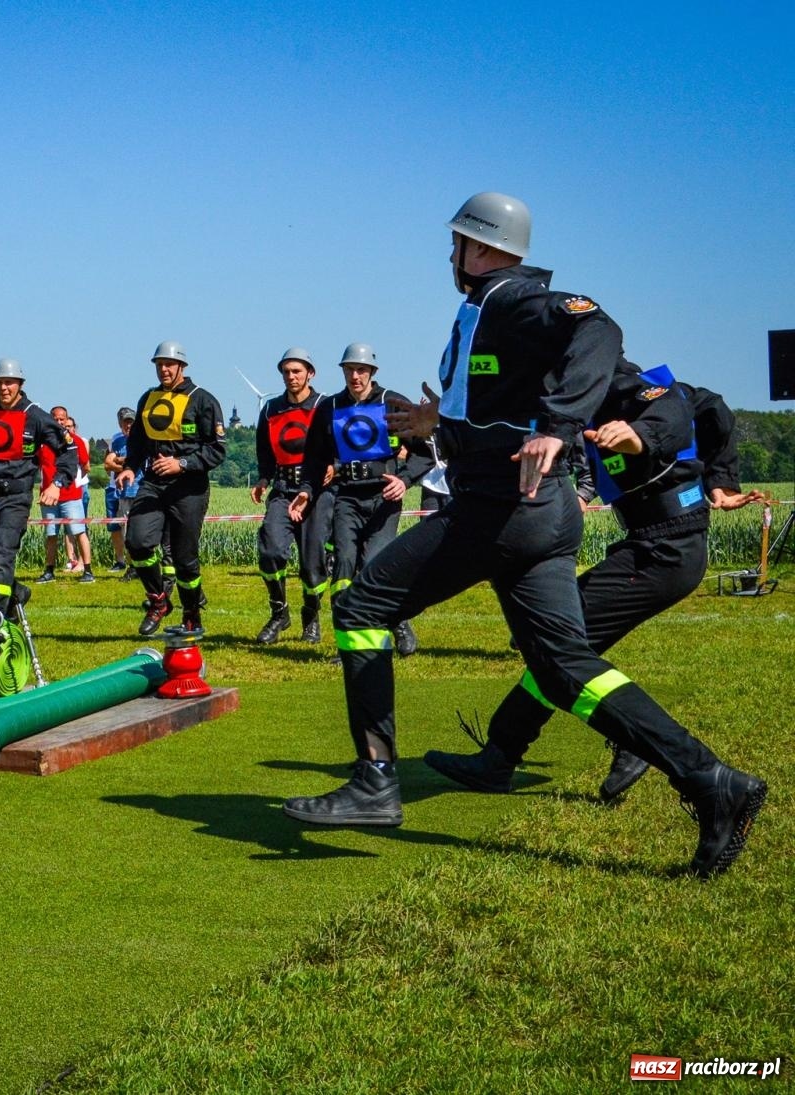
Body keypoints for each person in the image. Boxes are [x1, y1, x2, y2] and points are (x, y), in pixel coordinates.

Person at [281, 191, 765, 880]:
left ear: (477, 248)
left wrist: (560, 425)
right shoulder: (488, 312)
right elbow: (495, 412)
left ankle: (375, 780)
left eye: (455, 243)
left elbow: (597, 326)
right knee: (563, 668)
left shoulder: (512, 300)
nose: (450, 255)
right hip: (539, 513)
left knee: (362, 606)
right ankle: (712, 779)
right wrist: (435, 426)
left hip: (500, 512)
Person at [424, 367, 769, 800]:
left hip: (668, 550)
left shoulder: (640, 391)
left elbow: (712, 407)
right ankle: (501, 756)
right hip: (646, 544)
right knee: (555, 652)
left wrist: (720, 481)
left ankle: (622, 742)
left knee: (555, 649)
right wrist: (447, 419)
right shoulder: (572, 405)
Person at [287, 343, 431, 656]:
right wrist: (306, 491)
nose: (355, 375)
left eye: (361, 370)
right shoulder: (330, 408)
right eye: (349, 369)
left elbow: (423, 451)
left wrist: (404, 481)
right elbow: (314, 458)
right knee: (344, 569)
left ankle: (398, 622)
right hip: (347, 497)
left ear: (372, 372)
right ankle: (348, 647)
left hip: (384, 499)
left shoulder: (392, 403)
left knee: (374, 568)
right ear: (342, 371)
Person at [116, 341, 227, 636]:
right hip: (153, 484)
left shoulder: (202, 400)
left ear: (182, 366)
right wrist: (129, 467)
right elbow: (138, 441)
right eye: (159, 364)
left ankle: (192, 615)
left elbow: (217, 450)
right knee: (137, 542)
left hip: (189, 488)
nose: (163, 369)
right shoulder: (148, 398)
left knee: (184, 559)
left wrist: (183, 464)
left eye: (169, 364)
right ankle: (158, 599)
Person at [0, 358, 74, 619]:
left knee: (1, 555)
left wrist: (57, 484)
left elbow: (68, 450)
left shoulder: (35, 416)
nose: (4, 388)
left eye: (9, 382)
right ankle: (18, 594)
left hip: (15, 499)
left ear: (20, 384)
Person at [252, 348, 332, 644]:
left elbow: (338, 441)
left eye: (296, 371)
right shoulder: (271, 409)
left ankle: (311, 615)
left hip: (317, 493)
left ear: (310, 373)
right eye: (286, 372)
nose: (291, 377)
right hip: (283, 490)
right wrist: (262, 477)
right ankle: (278, 612)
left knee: (313, 566)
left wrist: (334, 467)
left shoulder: (325, 406)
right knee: (270, 552)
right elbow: (264, 449)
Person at [37, 406, 94, 583]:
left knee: (79, 532)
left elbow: (85, 466)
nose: (59, 421)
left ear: (67, 419)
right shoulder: (42, 443)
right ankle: (49, 571)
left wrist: (72, 484)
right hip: (48, 497)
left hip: (71, 496)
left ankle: (88, 570)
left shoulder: (75, 441)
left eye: (62, 418)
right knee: (51, 535)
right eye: (56, 418)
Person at [102, 406, 139, 572]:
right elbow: (108, 464)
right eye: (125, 422)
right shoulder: (117, 440)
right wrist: (126, 463)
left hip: (142, 490)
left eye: (131, 421)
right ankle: (132, 566)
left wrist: (122, 461)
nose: (128, 425)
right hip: (124, 492)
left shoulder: (144, 439)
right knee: (126, 532)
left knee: (141, 532)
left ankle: (141, 566)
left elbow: (142, 462)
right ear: (120, 424)